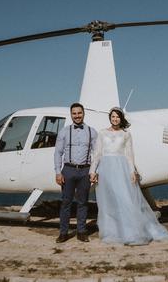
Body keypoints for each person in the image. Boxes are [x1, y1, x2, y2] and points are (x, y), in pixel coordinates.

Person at [89, 107, 168, 245]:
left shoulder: (126, 134)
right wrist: (92, 171)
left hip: (121, 168)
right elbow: (97, 154)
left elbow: (129, 155)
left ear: (121, 119)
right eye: (113, 116)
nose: (115, 119)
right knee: (108, 202)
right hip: (105, 169)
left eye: (117, 117)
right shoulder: (102, 133)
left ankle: (131, 232)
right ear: (110, 117)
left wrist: (132, 171)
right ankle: (112, 232)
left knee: (125, 199)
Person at [53, 102, 98, 243]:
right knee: (66, 202)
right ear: (71, 115)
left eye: (79, 113)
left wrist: (93, 171)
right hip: (68, 170)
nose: (77, 116)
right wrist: (58, 172)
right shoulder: (64, 131)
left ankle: (81, 231)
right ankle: (63, 232)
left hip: (85, 170)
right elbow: (57, 153)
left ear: (83, 113)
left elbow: (96, 154)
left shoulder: (92, 131)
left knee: (83, 202)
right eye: (74, 113)